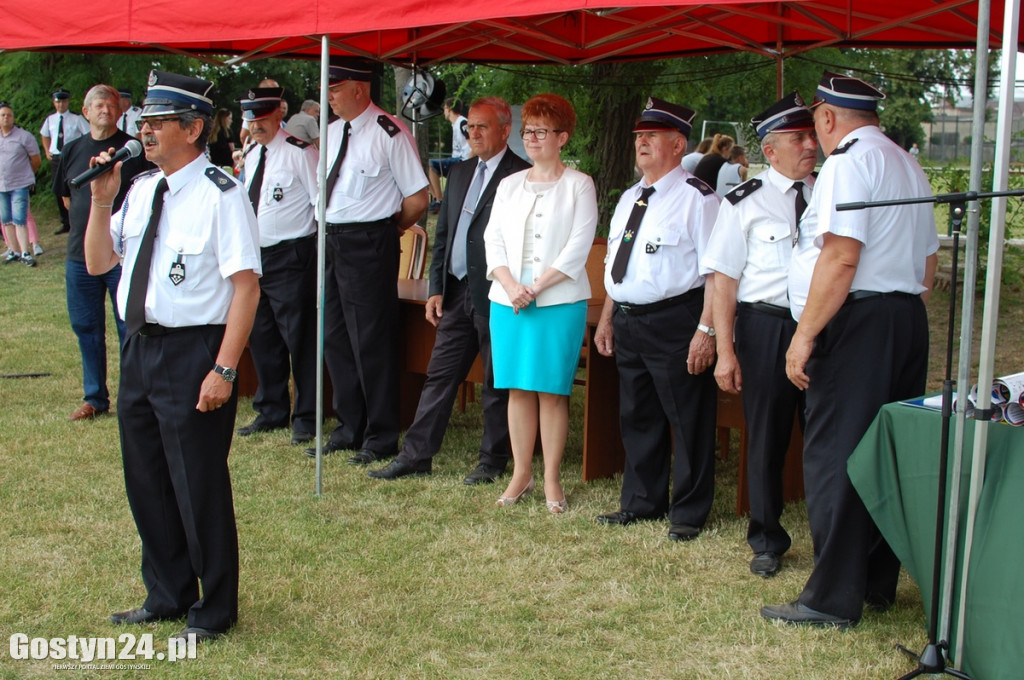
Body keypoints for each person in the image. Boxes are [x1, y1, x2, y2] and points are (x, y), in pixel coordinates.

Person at [83, 70, 261, 643]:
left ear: (194, 127)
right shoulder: (137, 190)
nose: (146, 131)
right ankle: (167, 591)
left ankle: (215, 609)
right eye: (146, 122)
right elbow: (96, 264)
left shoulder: (219, 194)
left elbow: (246, 288)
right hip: (139, 345)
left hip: (194, 351)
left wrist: (225, 368)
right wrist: (99, 202)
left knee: (197, 482)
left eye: (159, 122)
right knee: (147, 478)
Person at [761, 72, 938, 628]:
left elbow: (840, 257)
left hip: (859, 319)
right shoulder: (906, 162)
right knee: (882, 453)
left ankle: (831, 598)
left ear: (829, 118)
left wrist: (805, 335)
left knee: (838, 454)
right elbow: (929, 262)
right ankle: (874, 582)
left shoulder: (848, 162)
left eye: (815, 121)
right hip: (905, 315)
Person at [368, 97, 530, 483]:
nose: (473, 133)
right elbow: (445, 234)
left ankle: (492, 461)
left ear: (505, 130)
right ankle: (415, 455)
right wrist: (436, 287)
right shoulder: (459, 172)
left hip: (497, 293)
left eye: (482, 127)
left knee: (496, 381)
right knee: (439, 375)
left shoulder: (521, 175)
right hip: (455, 292)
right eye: (470, 126)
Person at [701, 92, 817, 577]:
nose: (811, 144)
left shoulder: (832, 193)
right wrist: (724, 351)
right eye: (798, 138)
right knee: (767, 436)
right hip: (766, 326)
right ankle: (768, 538)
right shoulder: (742, 202)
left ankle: (831, 534)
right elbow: (723, 281)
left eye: (812, 135)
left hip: (822, 326)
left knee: (826, 435)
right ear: (770, 151)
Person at [594, 96, 720, 541]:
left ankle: (688, 513)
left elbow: (715, 274)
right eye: (638, 137)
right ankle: (643, 502)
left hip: (676, 320)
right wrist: (608, 318)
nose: (641, 142)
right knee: (638, 414)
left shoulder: (698, 199)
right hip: (629, 319)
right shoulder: (632, 196)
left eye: (651, 136)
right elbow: (617, 265)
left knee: (688, 419)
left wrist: (706, 332)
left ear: (678, 144)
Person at [310, 56, 428, 464]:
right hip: (330, 238)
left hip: (368, 240)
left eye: (335, 87)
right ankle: (349, 426)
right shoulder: (330, 132)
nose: (329, 95)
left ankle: (380, 434)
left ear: (360, 88)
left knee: (371, 341)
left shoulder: (390, 134)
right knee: (336, 336)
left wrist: (389, 230)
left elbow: (417, 198)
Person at [483, 93, 597, 513]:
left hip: (559, 301)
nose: (531, 138)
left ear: (562, 137)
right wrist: (511, 284)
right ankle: (520, 474)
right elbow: (491, 239)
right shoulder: (509, 184)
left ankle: (551, 478)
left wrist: (536, 287)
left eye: (541, 131)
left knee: (550, 391)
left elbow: (577, 246)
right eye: (527, 130)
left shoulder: (579, 184)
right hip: (507, 300)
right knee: (516, 388)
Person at [56, 84, 152, 421]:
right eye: (98, 105)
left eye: (111, 105)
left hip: (122, 255)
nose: (105, 111)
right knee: (86, 326)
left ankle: (134, 395)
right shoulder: (72, 151)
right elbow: (67, 199)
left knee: (129, 325)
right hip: (79, 255)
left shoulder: (132, 150)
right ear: (85, 111)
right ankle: (94, 397)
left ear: (120, 110)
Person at [236, 86, 319, 446]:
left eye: (262, 120)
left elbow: (321, 206)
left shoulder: (301, 153)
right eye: (250, 121)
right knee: (263, 337)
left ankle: (307, 417)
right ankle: (270, 409)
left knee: (299, 339)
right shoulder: (253, 154)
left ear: (277, 115)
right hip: (258, 257)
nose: (256, 127)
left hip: (292, 256)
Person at [40, 89, 88, 235]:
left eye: (63, 101)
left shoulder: (76, 118)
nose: (60, 104)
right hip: (56, 157)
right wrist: (47, 149)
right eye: (58, 101)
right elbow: (44, 134)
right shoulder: (50, 119)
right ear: (54, 103)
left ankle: (77, 219)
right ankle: (65, 222)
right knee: (59, 189)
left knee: (74, 187)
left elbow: (87, 134)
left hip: (72, 157)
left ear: (67, 102)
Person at [0, 102, 42, 267]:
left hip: (19, 184)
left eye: (8, 115)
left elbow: (36, 159)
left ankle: (25, 252)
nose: (6, 118)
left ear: (13, 117)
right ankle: (13, 251)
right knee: (6, 219)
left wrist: (27, 176)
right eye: (2, 115)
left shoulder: (24, 136)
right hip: (1, 185)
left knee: (20, 218)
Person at [427, 98, 472, 211]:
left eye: (445, 108)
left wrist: (468, 163)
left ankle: (439, 200)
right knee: (424, 167)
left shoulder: (462, 122)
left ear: (449, 108)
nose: (443, 112)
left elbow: (473, 145)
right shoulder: (455, 124)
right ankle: (437, 199)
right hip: (457, 159)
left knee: (431, 165)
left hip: (462, 160)